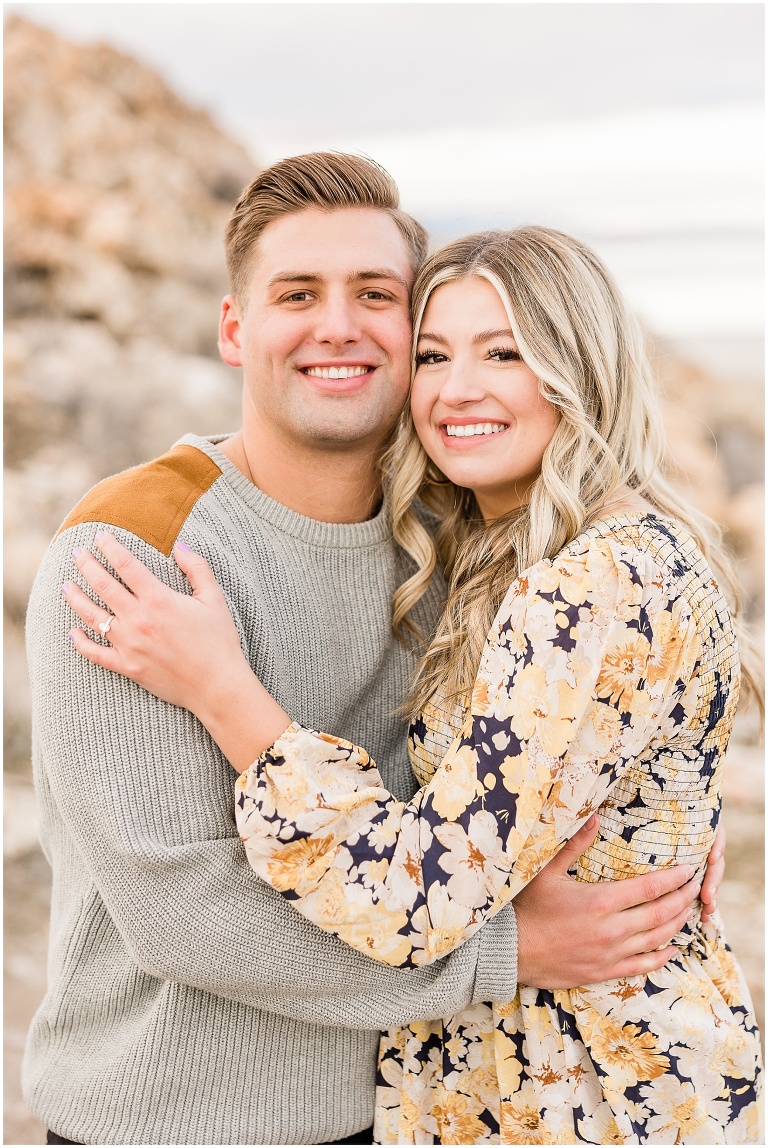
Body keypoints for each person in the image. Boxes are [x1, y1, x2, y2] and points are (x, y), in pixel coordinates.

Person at [30, 154, 722, 1147]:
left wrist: (650, 817)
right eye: (298, 293)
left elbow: (551, 738)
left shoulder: (463, 538)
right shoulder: (134, 553)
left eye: (376, 295)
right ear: (235, 328)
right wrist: (508, 951)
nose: (338, 324)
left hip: (406, 1113)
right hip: (162, 1123)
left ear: (410, 330)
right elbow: (184, 909)